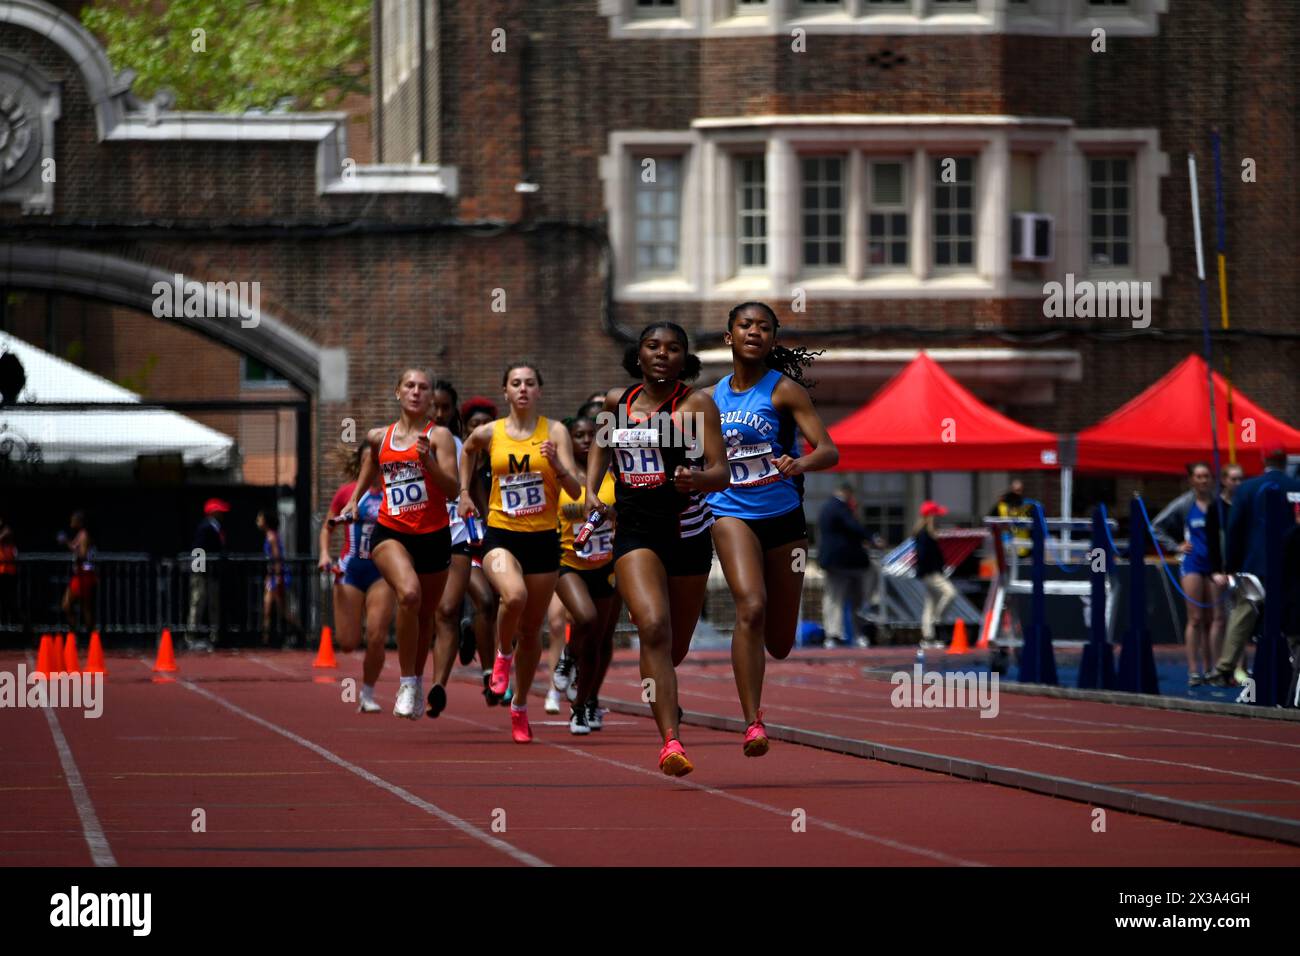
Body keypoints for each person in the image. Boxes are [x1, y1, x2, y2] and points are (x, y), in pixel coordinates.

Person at [585, 321, 729, 775]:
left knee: (673, 647)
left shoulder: (696, 404)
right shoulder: (617, 402)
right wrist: (592, 491)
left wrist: (697, 479)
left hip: (687, 534)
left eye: (673, 348)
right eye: (653, 346)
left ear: (684, 359)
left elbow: (720, 471)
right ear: (639, 355)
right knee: (653, 627)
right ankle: (670, 741)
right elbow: (600, 447)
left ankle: (661, 680)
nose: (662, 354)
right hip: (635, 533)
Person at [706, 301, 838, 756]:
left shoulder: (784, 392)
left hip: (784, 519)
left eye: (764, 327)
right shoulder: (708, 399)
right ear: (729, 337)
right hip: (729, 512)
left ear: (772, 340)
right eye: (745, 325)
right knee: (751, 606)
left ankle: (759, 654)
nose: (754, 332)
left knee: (780, 642)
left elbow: (829, 450)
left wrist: (797, 461)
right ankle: (752, 721)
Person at [458, 362, 584, 743]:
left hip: (544, 539)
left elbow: (576, 493)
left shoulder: (555, 431)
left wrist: (558, 464)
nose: (524, 389)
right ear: (506, 391)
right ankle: (501, 655)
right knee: (513, 596)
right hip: (502, 534)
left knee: (533, 631)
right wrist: (464, 492)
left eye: (530, 383)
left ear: (539, 391)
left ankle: (520, 705)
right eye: (516, 383)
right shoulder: (490, 432)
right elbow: (466, 449)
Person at [335, 367, 459, 718]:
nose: (416, 392)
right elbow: (370, 463)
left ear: (430, 396)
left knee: (424, 617)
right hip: (391, 532)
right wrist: (354, 499)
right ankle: (405, 682)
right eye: (410, 386)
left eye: (423, 387)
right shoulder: (379, 437)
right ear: (397, 392)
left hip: (433, 536)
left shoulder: (440, 438)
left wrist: (429, 463)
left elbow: (453, 490)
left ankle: (416, 682)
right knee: (408, 594)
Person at [1207, 447, 1300, 687]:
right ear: (1286, 461)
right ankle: (1296, 663)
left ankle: (1224, 667)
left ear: (1263, 459)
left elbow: (1234, 528)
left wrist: (1231, 565)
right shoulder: (1296, 487)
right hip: (1292, 564)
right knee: (1293, 613)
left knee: (1244, 612)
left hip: (1256, 563)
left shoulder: (1247, 488)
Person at [554, 413, 620, 734]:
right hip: (568, 564)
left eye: (589, 435)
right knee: (586, 618)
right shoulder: (560, 478)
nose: (583, 440)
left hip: (605, 564)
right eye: (577, 435)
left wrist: (611, 513)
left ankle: (580, 707)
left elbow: (627, 515)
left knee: (596, 642)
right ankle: (567, 655)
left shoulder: (613, 476)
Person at [423, 380, 477, 718]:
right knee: (421, 610)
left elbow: (467, 485)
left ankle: (438, 684)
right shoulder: (402, 442)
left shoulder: (462, 445)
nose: (440, 414)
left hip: (455, 531)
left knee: (446, 611)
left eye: (446, 408)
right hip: (418, 532)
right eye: (434, 407)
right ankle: (413, 677)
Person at [325, 460, 394, 713]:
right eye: (369, 463)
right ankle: (357, 624)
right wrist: (324, 554)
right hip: (351, 570)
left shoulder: (392, 493)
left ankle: (367, 693)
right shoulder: (348, 492)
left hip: (381, 572)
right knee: (348, 643)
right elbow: (328, 526)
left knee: (376, 635)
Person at [460, 396, 505, 705]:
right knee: (486, 603)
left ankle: (473, 632)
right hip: (465, 546)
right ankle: (490, 675)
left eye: (484, 425)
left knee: (505, 607)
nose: (479, 430)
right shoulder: (459, 460)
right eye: (474, 425)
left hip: (498, 542)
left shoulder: (499, 460)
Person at [818, 483, 877, 648]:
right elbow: (854, 528)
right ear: (847, 493)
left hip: (841, 562)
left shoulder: (829, 507)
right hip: (844, 562)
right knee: (848, 600)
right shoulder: (840, 507)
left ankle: (835, 634)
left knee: (835, 599)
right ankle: (841, 634)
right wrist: (872, 538)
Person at [1174, 463, 1216, 686]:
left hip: (1214, 564)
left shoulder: (1217, 503)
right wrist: (1176, 545)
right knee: (1196, 618)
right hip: (1192, 564)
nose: (1203, 480)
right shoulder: (1184, 504)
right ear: (1191, 479)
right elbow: (1156, 526)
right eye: (1198, 476)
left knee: (1212, 619)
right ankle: (1193, 670)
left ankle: (1210, 668)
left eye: (1206, 476)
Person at [1205, 463, 1243, 664]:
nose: (1237, 483)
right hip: (1218, 570)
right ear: (1224, 481)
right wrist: (1215, 571)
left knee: (1240, 618)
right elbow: (1211, 541)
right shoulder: (1215, 508)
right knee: (1219, 619)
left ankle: (1239, 664)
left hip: (1239, 569)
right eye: (1233, 479)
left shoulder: (1242, 504)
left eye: (1240, 479)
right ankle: (1217, 665)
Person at [188, 498, 230, 651]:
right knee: (198, 601)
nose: (222, 515)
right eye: (220, 511)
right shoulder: (205, 527)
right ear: (213, 512)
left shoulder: (216, 527)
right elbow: (198, 549)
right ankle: (192, 634)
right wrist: (199, 569)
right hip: (203, 572)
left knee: (213, 603)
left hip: (212, 572)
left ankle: (214, 634)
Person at [257, 509, 302, 647]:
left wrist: (277, 576)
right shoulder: (268, 536)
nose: (258, 521)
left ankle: (300, 632)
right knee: (267, 608)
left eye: (260, 518)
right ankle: (266, 639)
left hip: (278, 576)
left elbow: (277, 558)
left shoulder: (272, 537)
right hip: (272, 577)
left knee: (282, 610)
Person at [914, 501, 955, 650]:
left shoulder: (926, 532)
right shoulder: (925, 534)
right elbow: (924, 556)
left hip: (930, 573)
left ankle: (928, 637)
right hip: (931, 573)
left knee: (930, 604)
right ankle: (936, 621)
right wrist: (932, 569)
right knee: (950, 593)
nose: (938, 518)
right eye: (936, 515)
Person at [59, 511, 95, 634]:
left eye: (73, 520)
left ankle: (87, 636)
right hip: (80, 574)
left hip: (84, 574)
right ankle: (78, 634)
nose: (71, 522)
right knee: (80, 606)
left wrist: (68, 544)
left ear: (79, 521)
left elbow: (83, 554)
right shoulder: (80, 535)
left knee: (79, 606)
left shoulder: (84, 535)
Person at [988, 479, 1031, 557]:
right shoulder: (1001, 506)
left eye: (1019, 490)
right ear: (1010, 490)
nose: (1016, 493)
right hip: (1004, 546)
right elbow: (989, 522)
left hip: (1023, 546)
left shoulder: (1027, 506)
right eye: (1015, 490)